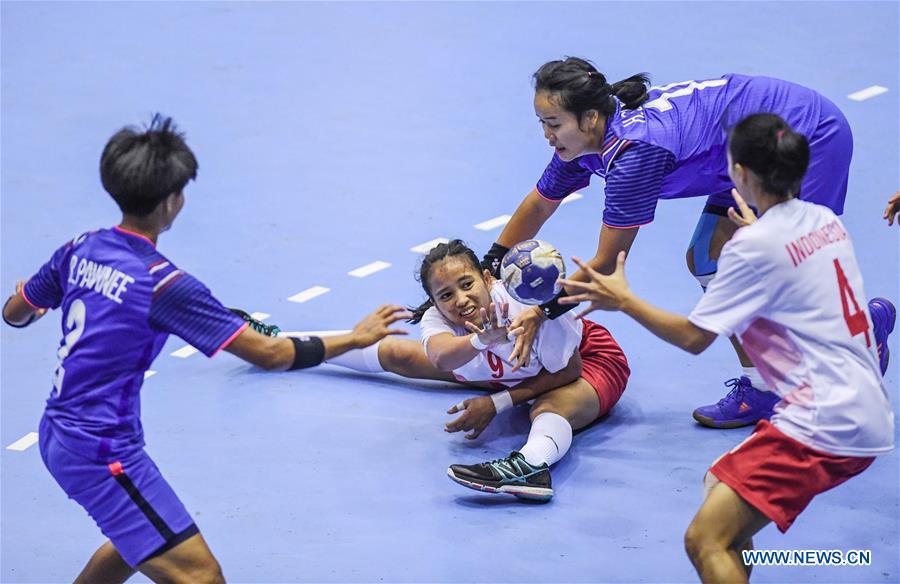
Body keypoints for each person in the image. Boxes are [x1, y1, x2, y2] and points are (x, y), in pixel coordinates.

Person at [1, 115, 409, 584]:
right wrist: (354, 338)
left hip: (58, 433)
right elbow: (271, 353)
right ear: (172, 201)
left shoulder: (81, 247)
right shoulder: (164, 284)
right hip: (102, 450)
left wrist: (33, 305)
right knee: (201, 577)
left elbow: (16, 312)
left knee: (136, 540)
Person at [555, 114, 895, 583]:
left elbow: (695, 338)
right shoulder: (822, 222)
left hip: (824, 418)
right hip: (865, 406)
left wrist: (624, 300)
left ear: (741, 174)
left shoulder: (752, 247)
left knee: (705, 539)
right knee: (718, 481)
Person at [482, 56, 857, 429]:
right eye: (542, 124)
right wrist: (490, 264)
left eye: (553, 124)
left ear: (590, 118)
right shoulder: (580, 141)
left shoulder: (633, 155)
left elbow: (608, 265)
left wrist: (541, 312)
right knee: (708, 258)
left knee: (785, 272)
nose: (547, 135)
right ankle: (762, 387)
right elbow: (539, 203)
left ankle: (863, 326)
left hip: (806, 135)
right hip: (739, 153)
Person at [314, 239, 629, 501]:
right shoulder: (438, 321)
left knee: (548, 407)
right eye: (446, 295)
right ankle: (291, 343)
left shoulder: (525, 304)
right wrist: (482, 340)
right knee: (402, 355)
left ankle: (533, 466)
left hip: (587, 361)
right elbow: (441, 358)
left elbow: (568, 371)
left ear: (488, 279)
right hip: (508, 366)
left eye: (467, 285)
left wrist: (497, 403)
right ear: (434, 302)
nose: (460, 300)